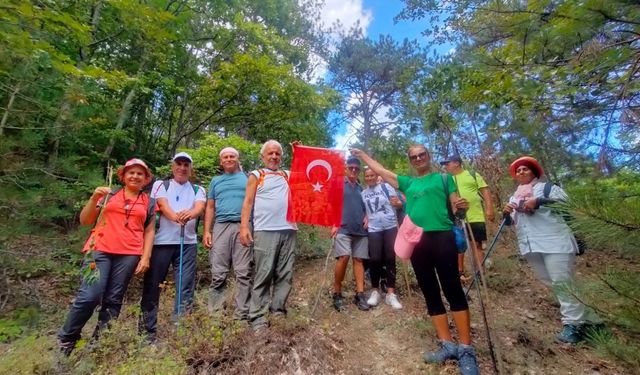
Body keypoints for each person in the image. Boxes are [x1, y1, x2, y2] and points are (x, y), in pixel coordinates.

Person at [351, 146, 479, 375]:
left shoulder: (444, 178)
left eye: (422, 155)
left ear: (428, 157)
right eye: (414, 157)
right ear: (410, 161)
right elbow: (381, 170)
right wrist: (362, 156)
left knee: (453, 290)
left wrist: (463, 208)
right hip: (417, 242)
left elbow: (457, 209)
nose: (418, 159)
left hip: (442, 237)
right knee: (430, 291)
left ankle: (466, 349)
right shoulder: (408, 184)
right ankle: (447, 344)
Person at [58, 158, 155, 355]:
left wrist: (145, 257)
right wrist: (94, 199)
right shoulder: (108, 194)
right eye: (131, 172)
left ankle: (100, 343)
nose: (135, 176)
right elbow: (85, 221)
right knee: (89, 296)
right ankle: (67, 339)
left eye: (140, 174)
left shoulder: (149, 202)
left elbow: (149, 231)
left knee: (113, 299)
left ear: (146, 179)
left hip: (129, 253)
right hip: (99, 249)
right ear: (123, 175)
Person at [503, 156, 603, 344]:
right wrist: (506, 213)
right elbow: (511, 222)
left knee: (561, 282)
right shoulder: (514, 197)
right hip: (530, 245)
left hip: (555, 241)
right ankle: (592, 321)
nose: (521, 172)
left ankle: (573, 325)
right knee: (550, 281)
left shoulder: (548, 188)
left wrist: (538, 201)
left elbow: (565, 205)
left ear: (534, 172)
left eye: (525, 169)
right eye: (518, 171)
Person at [139, 152, 206, 343]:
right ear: (173, 166)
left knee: (185, 287)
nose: (182, 168)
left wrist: (190, 214)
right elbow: (162, 205)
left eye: (186, 165)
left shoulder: (198, 189)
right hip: (161, 243)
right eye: (179, 164)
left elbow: (199, 208)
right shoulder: (161, 185)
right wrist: (177, 217)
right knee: (152, 287)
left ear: (190, 169)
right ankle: (147, 333)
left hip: (188, 243)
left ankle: (182, 331)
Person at [240, 140, 297, 330]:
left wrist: (298, 152)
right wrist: (244, 227)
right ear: (263, 156)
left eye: (277, 154)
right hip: (265, 230)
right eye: (270, 153)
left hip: (289, 229)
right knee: (264, 273)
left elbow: (309, 177)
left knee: (285, 274)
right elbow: (247, 202)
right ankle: (257, 317)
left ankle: (278, 311)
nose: (274, 157)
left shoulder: (288, 175)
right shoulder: (257, 175)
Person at [203, 147, 252, 321]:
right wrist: (207, 231)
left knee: (243, 272)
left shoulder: (249, 178)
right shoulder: (216, 181)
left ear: (238, 159)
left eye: (232, 156)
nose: (229, 159)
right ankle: (216, 315)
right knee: (218, 273)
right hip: (221, 226)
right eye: (225, 157)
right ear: (221, 161)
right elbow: (210, 207)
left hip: (243, 226)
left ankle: (242, 315)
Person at [440, 155, 495, 280]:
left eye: (447, 163)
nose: (445, 166)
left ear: (457, 163)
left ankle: (481, 274)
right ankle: (460, 273)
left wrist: (489, 208)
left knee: (477, 244)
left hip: (475, 216)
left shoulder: (472, 174)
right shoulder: (447, 179)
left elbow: (485, 190)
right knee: (459, 244)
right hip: (456, 218)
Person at [331, 157, 370, 312]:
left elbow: (365, 207)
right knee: (344, 257)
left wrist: (366, 215)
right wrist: (333, 223)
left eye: (356, 168)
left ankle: (359, 294)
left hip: (360, 230)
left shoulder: (361, 189)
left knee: (359, 260)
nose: (354, 170)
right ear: (346, 168)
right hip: (343, 227)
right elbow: (331, 204)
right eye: (351, 167)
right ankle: (337, 292)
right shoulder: (338, 184)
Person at [361, 167, 403, 310]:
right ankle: (375, 291)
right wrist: (365, 218)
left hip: (390, 226)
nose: (370, 178)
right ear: (364, 178)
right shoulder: (363, 193)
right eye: (367, 176)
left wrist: (398, 203)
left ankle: (391, 293)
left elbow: (398, 204)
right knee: (375, 259)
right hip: (374, 228)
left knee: (390, 257)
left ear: (376, 175)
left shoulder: (386, 187)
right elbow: (364, 211)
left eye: (372, 175)